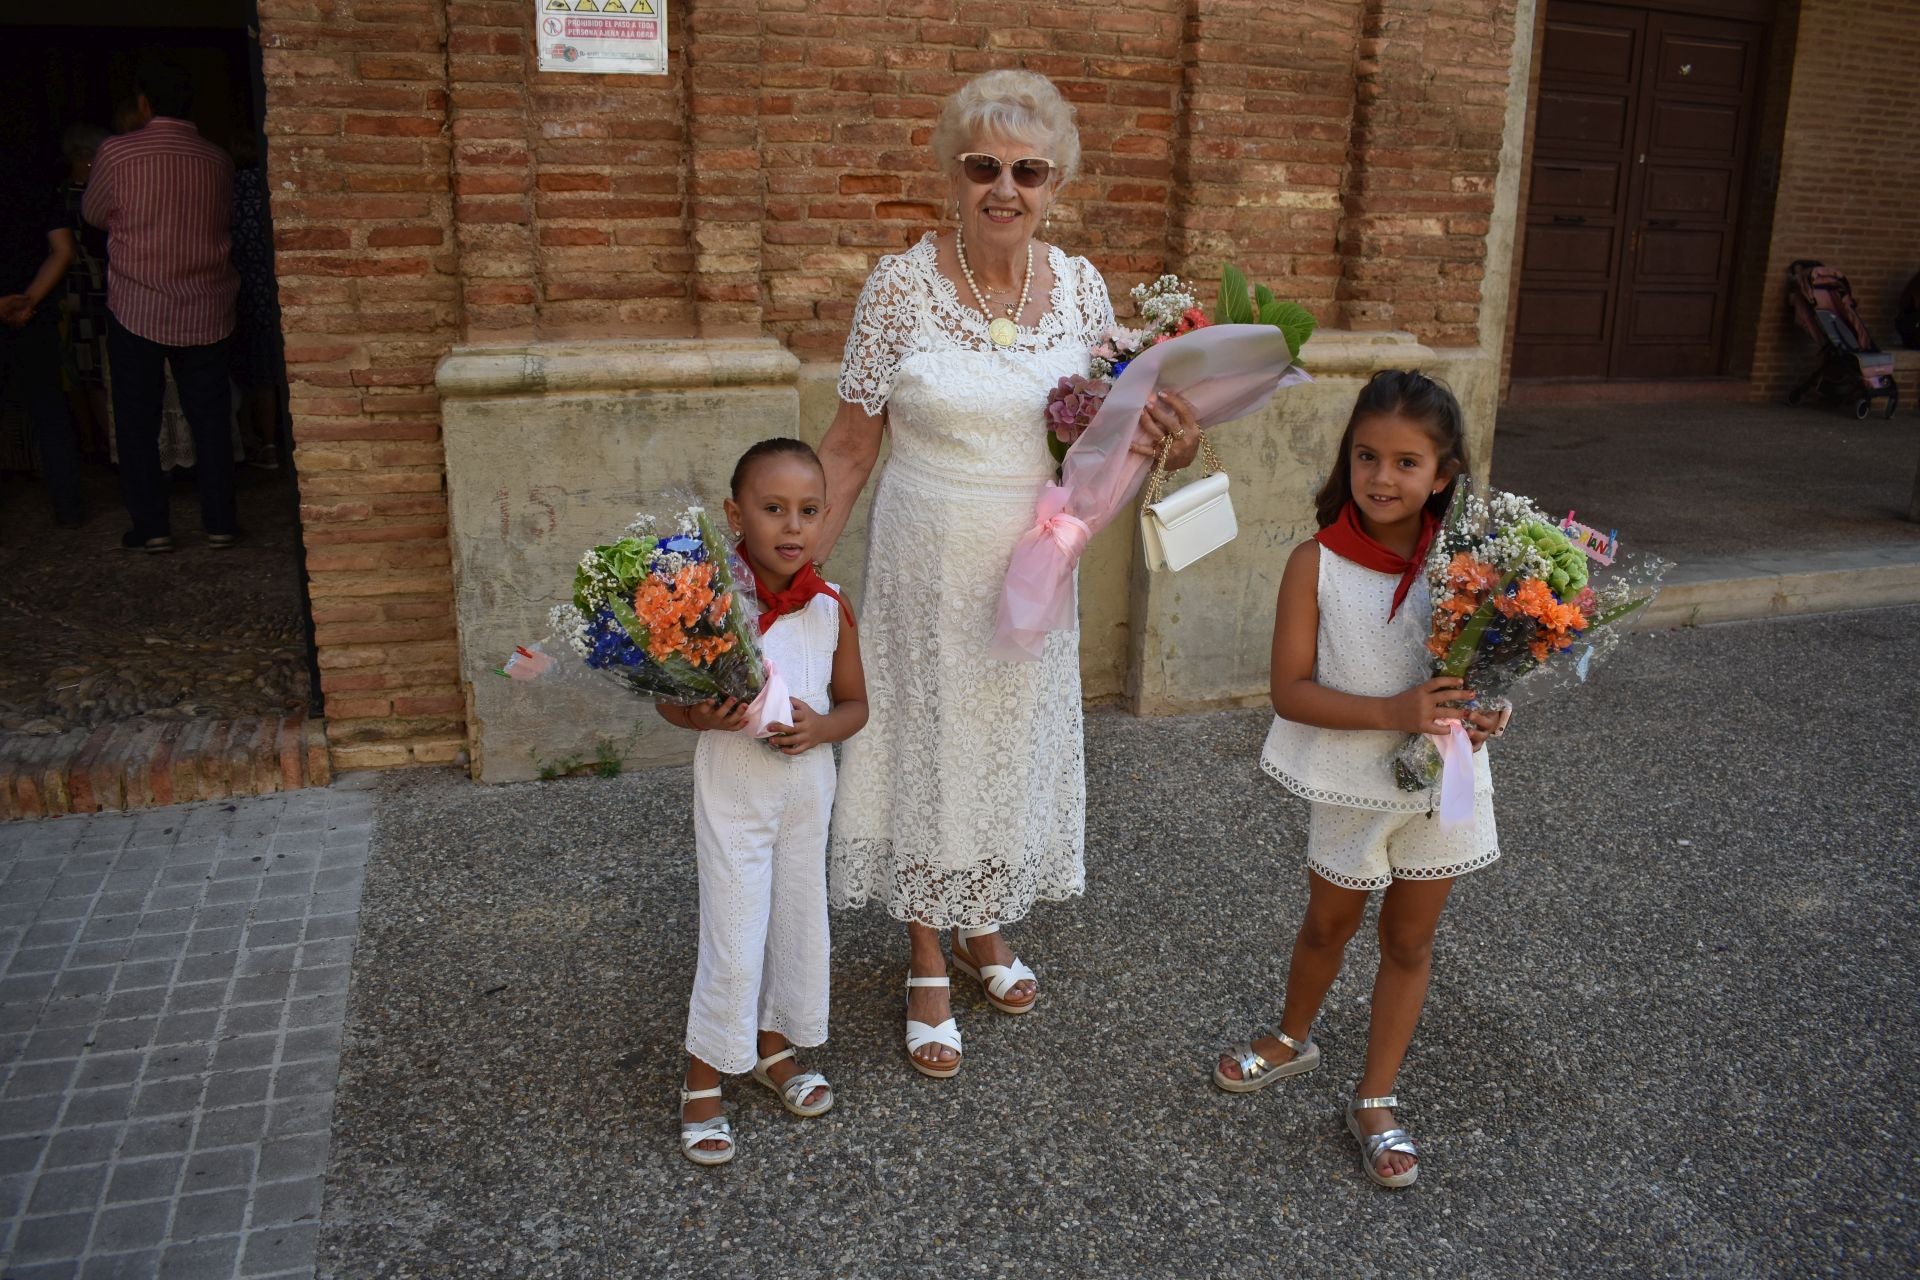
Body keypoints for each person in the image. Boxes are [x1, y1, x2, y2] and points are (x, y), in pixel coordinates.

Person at [815, 69, 1201, 1078]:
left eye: (1028, 171)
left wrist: (1174, 442)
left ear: (1056, 183)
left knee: (1005, 739)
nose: (1004, 187)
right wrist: (779, 578)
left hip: (1035, 561)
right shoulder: (898, 289)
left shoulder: (1081, 291)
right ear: (952, 172)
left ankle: (985, 920)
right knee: (926, 734)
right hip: (922, 560)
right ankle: (926, 953)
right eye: (984, 166)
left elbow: (1111, 439)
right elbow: (851, 451)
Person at [1211, 370, 1507, 1190]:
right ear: (1347, 459)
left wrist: (1487, 714)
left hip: (1443, 784)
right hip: (1351, 778)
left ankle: (1376, 1097)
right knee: (1327, 923)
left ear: (1443, 474)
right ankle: (1289, 1036)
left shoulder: (1473, 568)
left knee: (1410, 940)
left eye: (1408, 463)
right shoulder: (1319, 563)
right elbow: (1290, 690)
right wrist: (1397, 711)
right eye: (1368, 456)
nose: (1383, 477)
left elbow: (1480, 675)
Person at [664, 438, 869, 1167]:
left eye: (808, 511)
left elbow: (856, 706)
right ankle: (704, 1073)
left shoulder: (830, 606)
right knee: (735, 928)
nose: (792, 527)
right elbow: (671, 703)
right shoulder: (712, 606)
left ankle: (772, 1046)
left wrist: (822, 727)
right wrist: (699, 716)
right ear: (735, 514)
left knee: (795, 923)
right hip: (734, 791)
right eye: (773, 508)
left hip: (806, 796)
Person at [83, 58, 241, 552]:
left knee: (136, 421)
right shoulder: (218, 159)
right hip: (207, 306)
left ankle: (152, 527)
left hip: (139, 303)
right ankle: (221, 522)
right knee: (212, 420)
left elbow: (93, 213)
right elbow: (225, 217)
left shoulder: (116, 152)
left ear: (144, 101)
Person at [0, 123, 84, 529]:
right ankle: (68, 506)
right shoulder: (36, 188)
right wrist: (29, 299)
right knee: (50, 410)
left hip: (13, 309)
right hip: (33, 314)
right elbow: (63, 250)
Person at [58, 122, 113, 461]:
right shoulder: (79, 198)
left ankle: (102, 443)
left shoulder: (66, 195)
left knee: (89, 371)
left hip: (82, 292)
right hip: (88, 291)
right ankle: (107, 444)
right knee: (93, 370)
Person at [228, 131, 282, 470]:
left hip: (239, 294)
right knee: (268, 372)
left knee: (248, 375)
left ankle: (257, 441)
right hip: (270, 293)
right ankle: (274, 442)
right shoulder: (267, 193)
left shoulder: (227, 197)